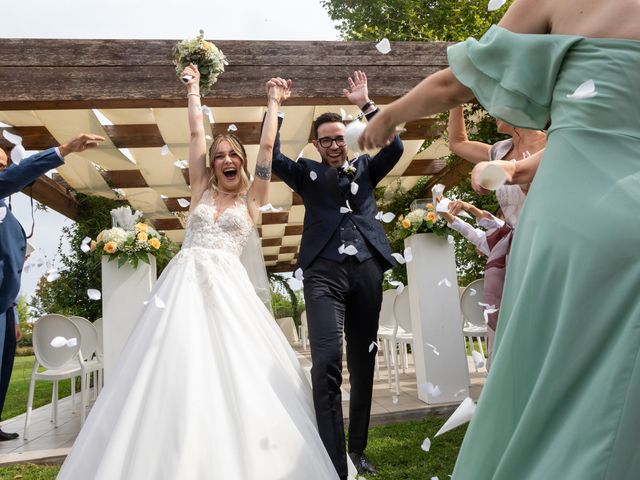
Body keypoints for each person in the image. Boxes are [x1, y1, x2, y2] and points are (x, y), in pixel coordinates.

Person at [361, 0, 640, 477]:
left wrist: (388, 117)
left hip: (572, 213)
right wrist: (515, 166)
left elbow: (455, 82)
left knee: (544, 366)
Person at [58, 68, 343, 480]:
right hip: (183, 289)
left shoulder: (254, 198)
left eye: (232, 155)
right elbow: (195, 136)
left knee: (239, 372)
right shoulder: (200, 190)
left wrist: (274, 103)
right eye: (219, 156)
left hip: (231, 293)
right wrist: (193, 91)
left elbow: (267, 149)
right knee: (173, 365)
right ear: (212, 165)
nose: (226, 160)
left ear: (241, 163)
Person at [269, 70, 404, 478]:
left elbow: (395, 146)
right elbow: (272, 158)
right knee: (327, 357)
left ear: (348, 137)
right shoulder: (306, 175)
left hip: (366, 269)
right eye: (325, 139)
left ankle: (358, 449)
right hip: (322, 274)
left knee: (363, 360)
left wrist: (367, 102)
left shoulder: (365, 167)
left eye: (338, 137)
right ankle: (334, 459)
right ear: (316, 144)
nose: (332, 144)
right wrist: (276, 109)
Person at [0, 135, 103, 440]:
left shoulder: (6, 208)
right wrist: (65, 150)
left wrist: (14, 315)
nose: (2, 171)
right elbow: (20, 174)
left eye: (4, 165)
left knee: (3, 370)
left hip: (5, 306)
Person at [439, 199, 512, 365]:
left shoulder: (517, 237)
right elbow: (467, 230)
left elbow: (495, 224)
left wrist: (468, 207)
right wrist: (443, 211)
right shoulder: (493, 245)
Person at [447, 106, 546, 226]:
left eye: (498, 103)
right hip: (520, 239)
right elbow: (457, 143)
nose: (492, 112)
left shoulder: (552, 142)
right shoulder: (499, 152)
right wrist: (456, 101)